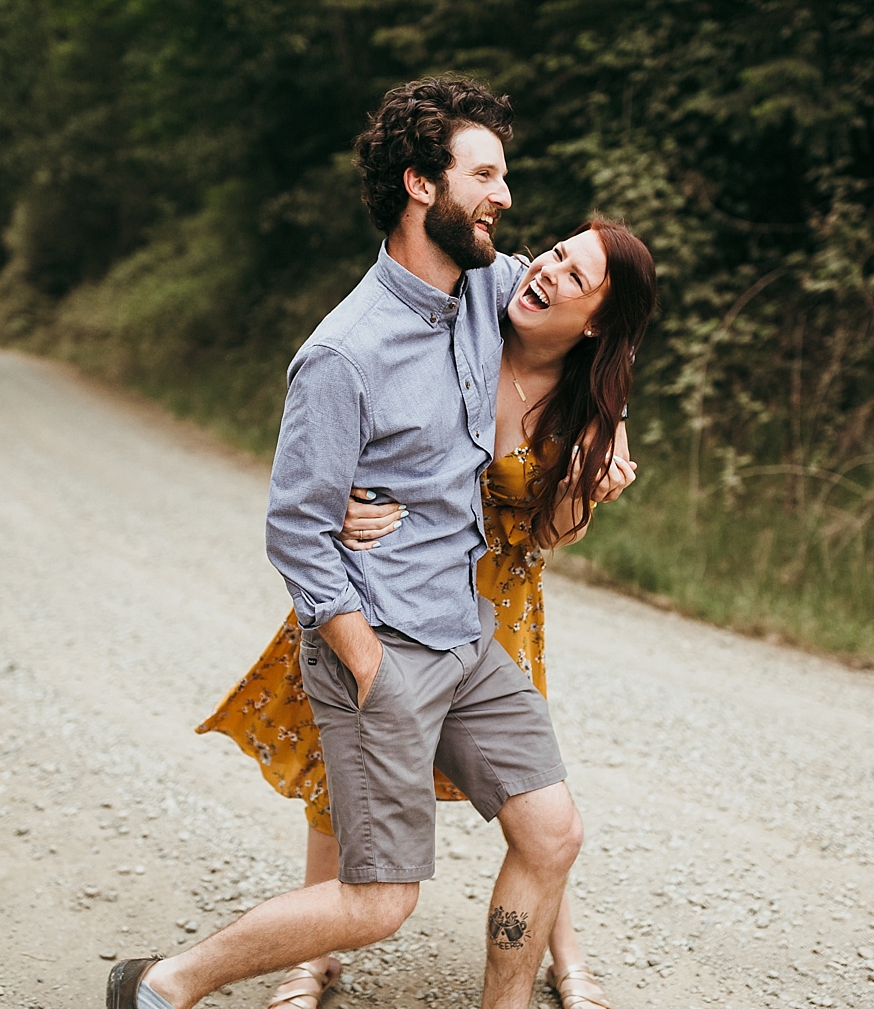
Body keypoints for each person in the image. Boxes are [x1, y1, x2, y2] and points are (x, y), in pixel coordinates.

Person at [108, 76, 575, 1009]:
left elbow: (594, 305)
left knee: (551, 828)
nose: (505, 197)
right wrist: (365, 663)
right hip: (387, 646)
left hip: (466, 632)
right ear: (418, 183)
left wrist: (619, 423)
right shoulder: (343, 352)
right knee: (377, 900)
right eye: (484, 173)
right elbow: (295, 528)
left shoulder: (490, 286)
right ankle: (161, 986)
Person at [200, 217, 656, 1009]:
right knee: (339, 751)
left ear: (596, 325)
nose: (546, 271)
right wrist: (338, 495)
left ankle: (566, 953)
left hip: (499, 592)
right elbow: (385, 416)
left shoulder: (586, 402)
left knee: (534, 787)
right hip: (396, 576)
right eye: (553, 253)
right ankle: (312, 957)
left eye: (573, 277)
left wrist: (591, 470)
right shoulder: (479, 308)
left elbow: (551, 534)